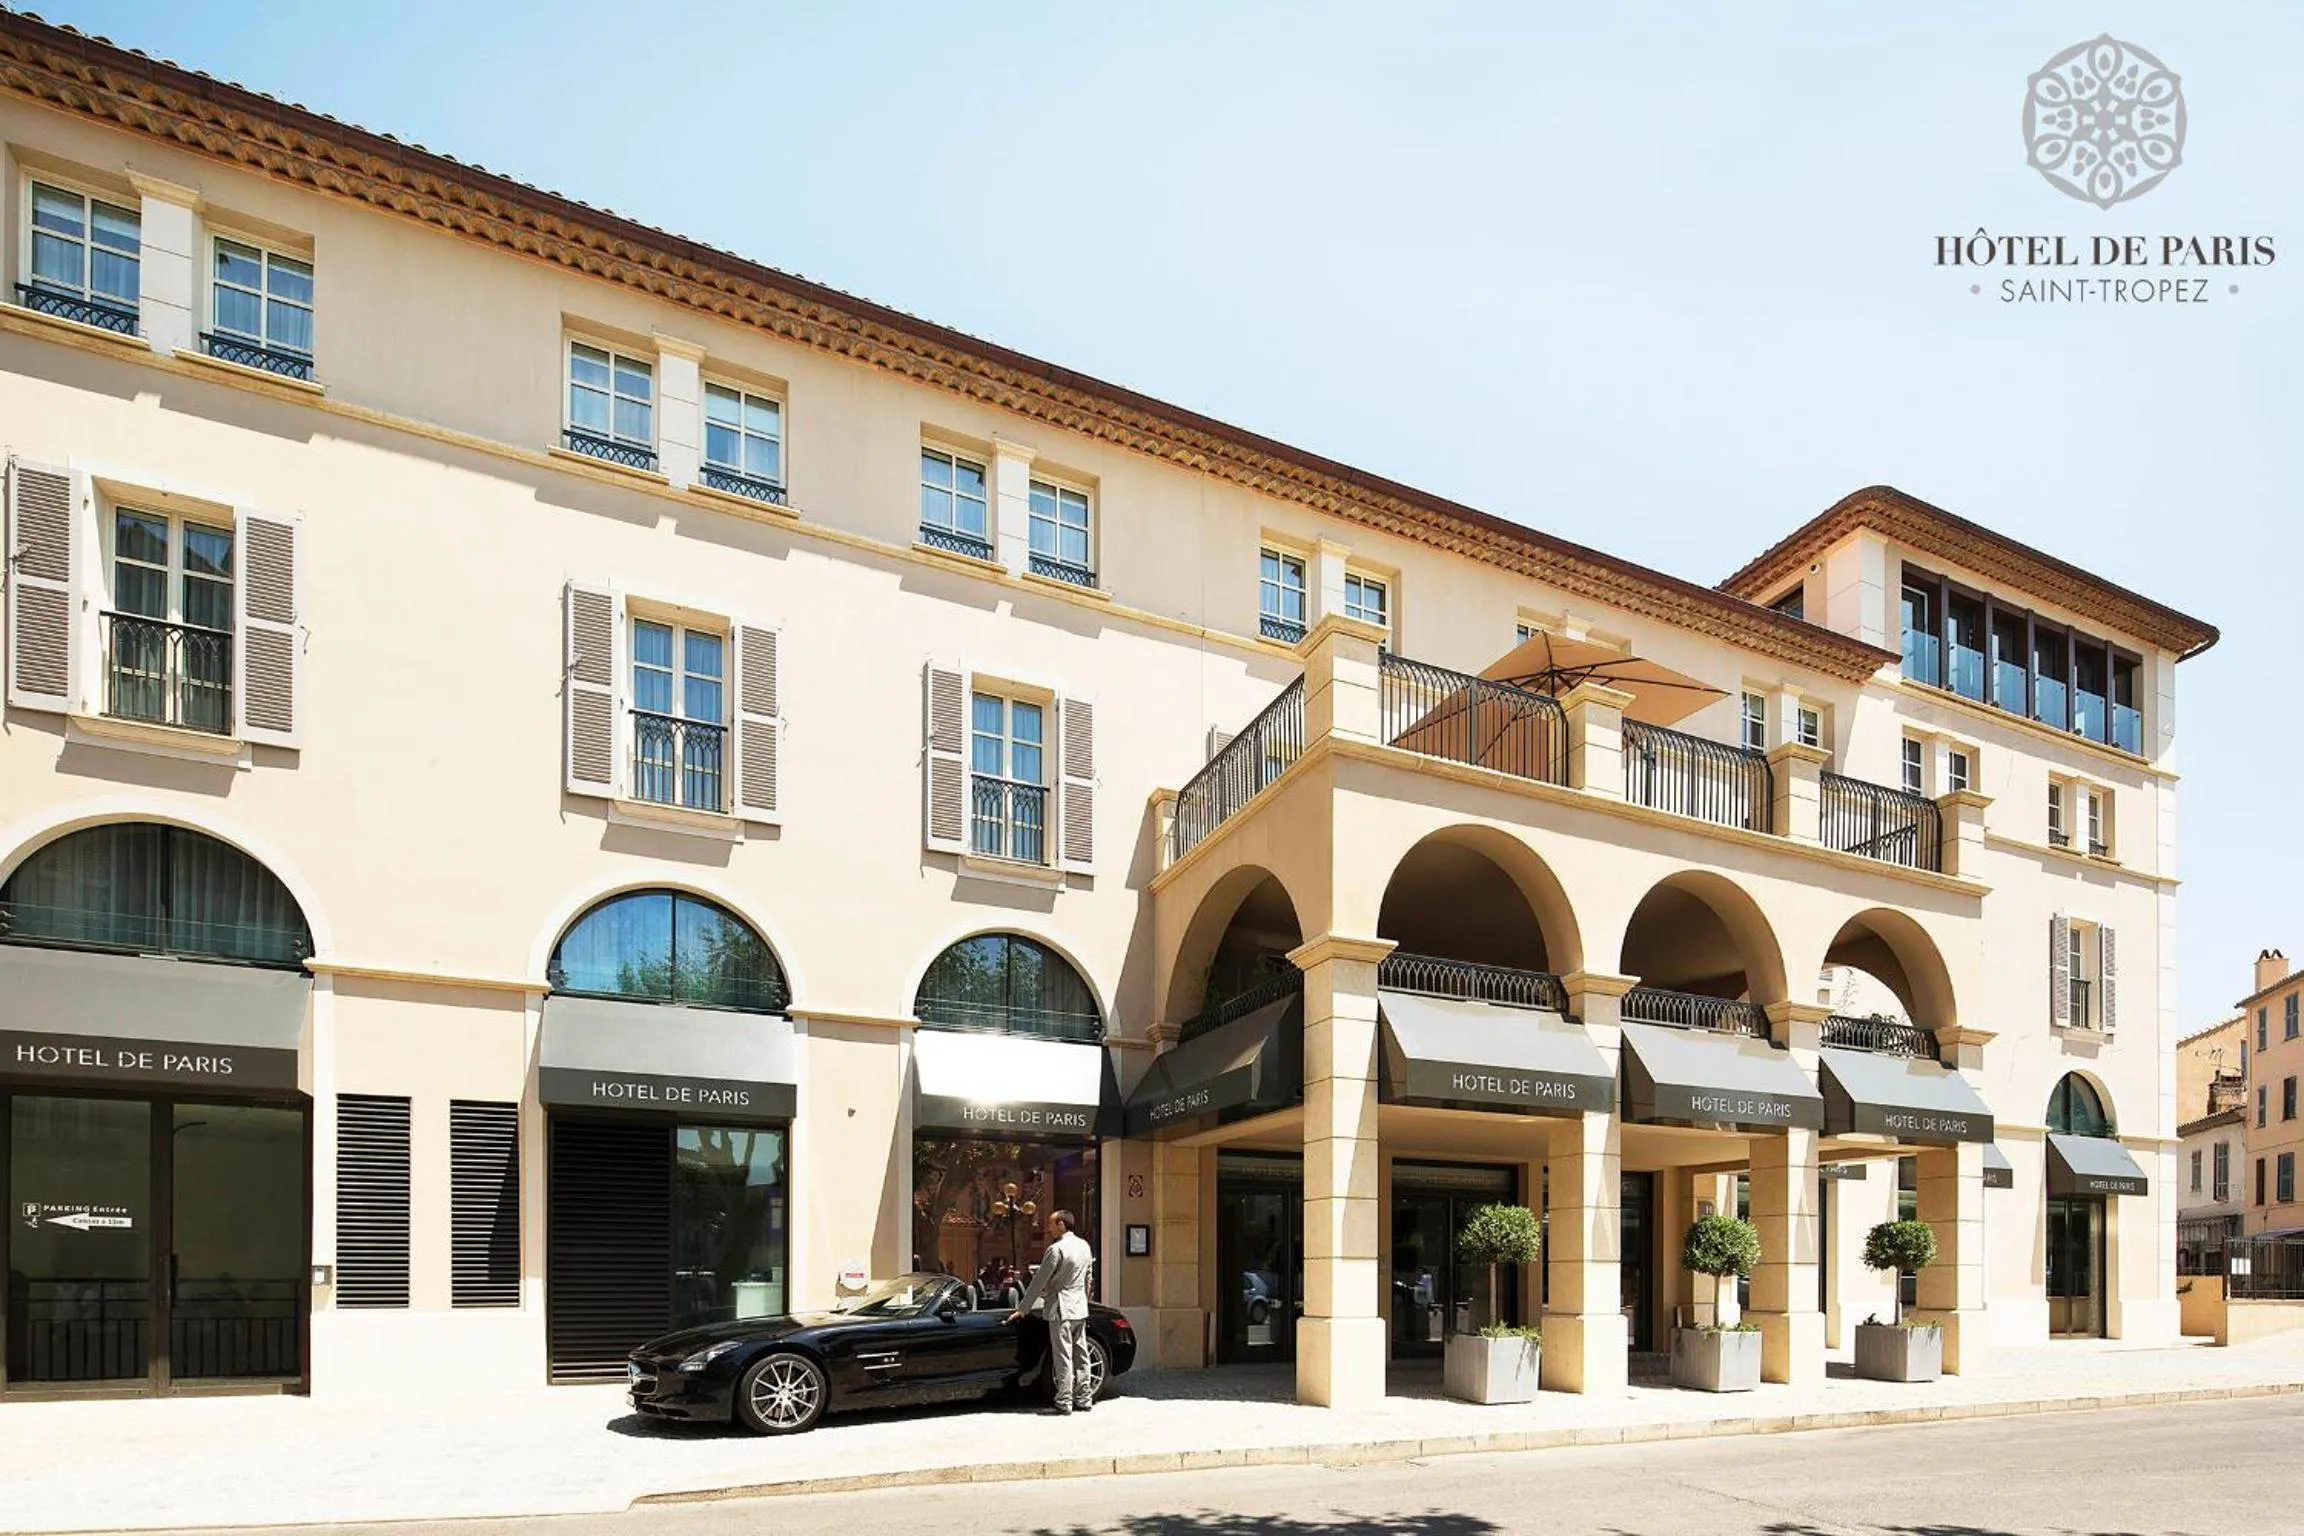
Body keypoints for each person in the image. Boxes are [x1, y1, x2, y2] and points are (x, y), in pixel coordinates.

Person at [1008, 1209, 1096, 1413]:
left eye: (1051, 1224)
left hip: (1061, 1308)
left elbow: (1039, 1281)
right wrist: (1084, 1299)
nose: (1048, 1228)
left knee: (1063, 1355)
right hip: (1079, 1308)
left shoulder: (1056, 1250)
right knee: (1081, 1354)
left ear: (1062, 1225)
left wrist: (1023, 1308)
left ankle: (1064, 1401)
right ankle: (1084, 1398)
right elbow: (1088, 1279)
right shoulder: (1084, 1246)